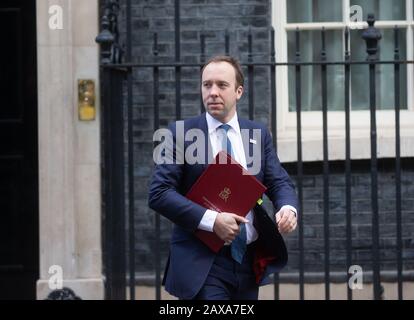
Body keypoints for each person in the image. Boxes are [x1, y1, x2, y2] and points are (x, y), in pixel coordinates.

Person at [149, 55, 298, 300]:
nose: (213, 92)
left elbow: (278, 180)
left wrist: (288, 208)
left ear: (239, 91)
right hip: (204, 261)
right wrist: (212, 220)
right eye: (207, 85)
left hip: (248, 261)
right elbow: (159, 193)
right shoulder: (180, 134)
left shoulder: (257, 133)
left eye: (222, 85)